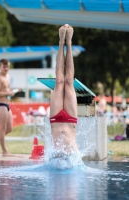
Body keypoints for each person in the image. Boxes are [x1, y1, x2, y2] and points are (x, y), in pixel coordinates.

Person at [49, 24, 79, 160]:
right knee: (68, 81)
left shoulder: (74, 160)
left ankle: (63, 42)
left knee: (60, 81)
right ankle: (66, 42)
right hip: (70, 119)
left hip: (56, 121)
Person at [0, 59, 19, 156]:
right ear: (0, 67)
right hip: (1, 104)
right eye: (4, 67)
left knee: (9, 129)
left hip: (7, 104)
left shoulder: (8, 77)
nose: (6, 68)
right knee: (2, 128)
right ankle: (4, 151)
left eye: (7, 67)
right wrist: (8, 92)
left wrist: (11, 91)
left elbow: (6, 90)